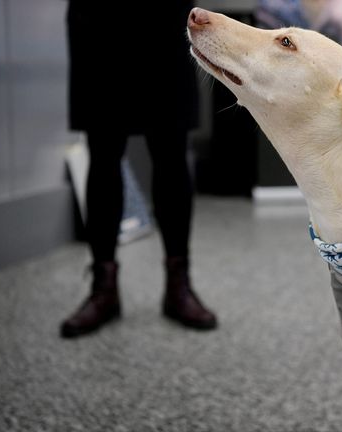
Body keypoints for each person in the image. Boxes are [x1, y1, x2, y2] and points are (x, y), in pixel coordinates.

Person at [60, 0, 217, 338]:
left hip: (163, 19)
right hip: (98, 21)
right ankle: (104, 289)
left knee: (171, 150)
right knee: (102, 152)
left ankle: (179, 286)